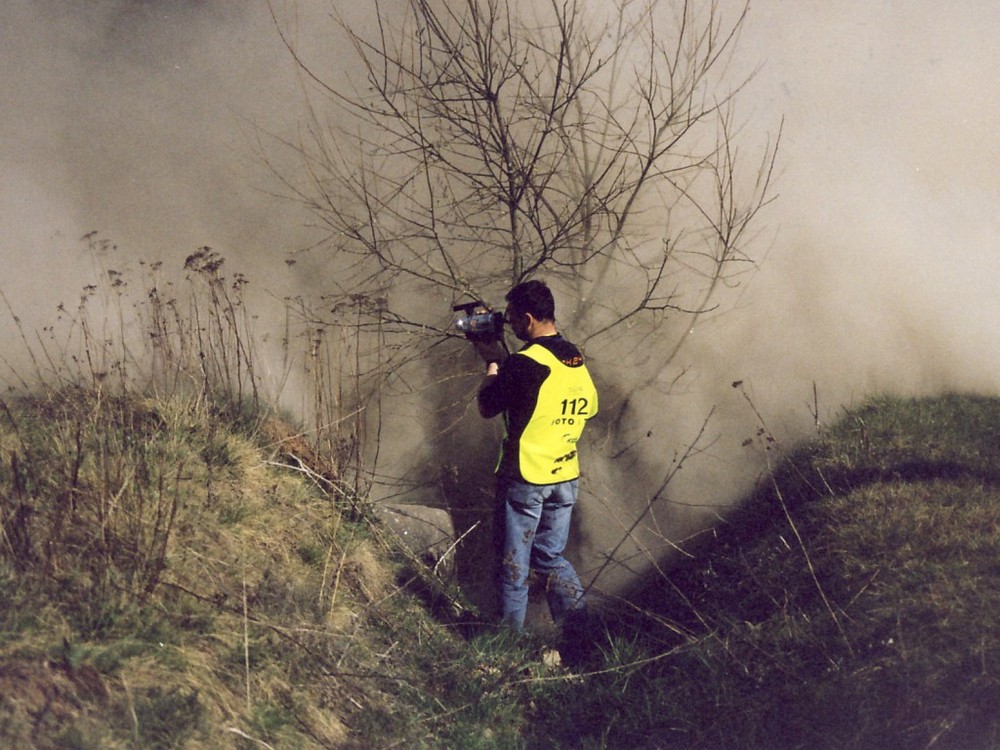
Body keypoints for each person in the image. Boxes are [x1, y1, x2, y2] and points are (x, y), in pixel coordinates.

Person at [473, 280, 599, 643]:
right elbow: (589, 405)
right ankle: (580, 636)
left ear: (528, 318)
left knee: (514, 566)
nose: (510, 325)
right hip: (565, 477)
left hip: (527, 479)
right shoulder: (573, 356)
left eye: (512, 319)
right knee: (549, 558)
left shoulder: (525, 364)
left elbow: (487, 405)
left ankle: (507, 645)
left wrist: (494, 363)